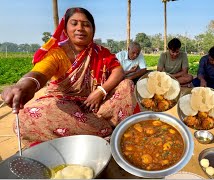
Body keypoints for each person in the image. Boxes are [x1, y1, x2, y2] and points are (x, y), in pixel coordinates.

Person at [1, 7, 136, 147]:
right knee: (25, 119)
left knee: (127, 85)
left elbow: (118, 72)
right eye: (74, 23)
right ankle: (107, 130)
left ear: (93, 29)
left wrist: (101, 91)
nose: (80, 28)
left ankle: (97, 130)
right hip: (65, 107)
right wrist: (23, 85)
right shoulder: (57, 54)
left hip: (97, 104)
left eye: (86, 24)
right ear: (65, 29)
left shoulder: (101, 52)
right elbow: (39, 73)